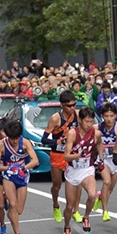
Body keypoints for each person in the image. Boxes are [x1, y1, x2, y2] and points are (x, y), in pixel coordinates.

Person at [0, 119, 38, 234]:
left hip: (22, 176)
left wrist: (23, 168)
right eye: (12, 138)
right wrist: (8, 168)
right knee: (13, 204)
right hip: (8, 176)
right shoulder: (1, 144)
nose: (14, 141)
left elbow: (35, 160)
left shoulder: (25, 143)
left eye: (16, 138)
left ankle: (11, 213)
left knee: (19, 210)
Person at [62, 106, 101, 234]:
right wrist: (78, 155)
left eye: (91, 121)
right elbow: (66, 156)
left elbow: (99, 143)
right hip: (73, 171)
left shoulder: (95, 133)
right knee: (69, 205)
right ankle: (67, 226)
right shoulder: (73, 133)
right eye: (86, 122)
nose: (89, 124)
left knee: (92, 194)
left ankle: (86, 217)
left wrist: (100, 158)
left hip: (87, 169)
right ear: (80, 120)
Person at [42, 90, 79, 223]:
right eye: (69, 106)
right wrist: (58, 141)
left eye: (74, 105)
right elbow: (44, 139)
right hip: (58, 154)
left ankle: (75, 210)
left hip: (73, 153)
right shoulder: (55, 118)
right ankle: (55, 204)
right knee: (57, 185)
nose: (72, 108)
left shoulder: (78, 115)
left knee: (77, 182)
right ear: (62, 105)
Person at [93, 102, 117, 222]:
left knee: (110, 188)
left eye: (111, 116)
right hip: (103, 159)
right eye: (106, 116)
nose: (109, 119)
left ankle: (101, 196)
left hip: (115, 159)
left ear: (115, 116)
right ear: (102, 116)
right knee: (106, 182)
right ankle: (105, 211)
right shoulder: (96, 128)